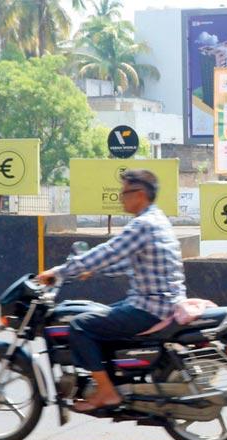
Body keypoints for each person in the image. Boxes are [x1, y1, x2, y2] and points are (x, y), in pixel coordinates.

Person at [36, 169, 185, 412]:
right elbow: (128, 262)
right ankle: (114, 379)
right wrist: (93, 271)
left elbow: (108, 251)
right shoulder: (157, 219)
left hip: (149, 308)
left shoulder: (142, 225)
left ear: (140, 194)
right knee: (101, 313)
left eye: (124, 192)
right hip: (163, 303)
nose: (120, 198)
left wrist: (59, 272)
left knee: (80, 326)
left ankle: (107, 391)